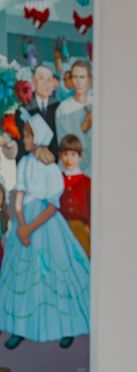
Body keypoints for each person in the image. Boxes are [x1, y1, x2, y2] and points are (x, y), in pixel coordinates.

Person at [0, 113, 90, 350]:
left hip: (45, 224)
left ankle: (66, 326)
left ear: (38, 137)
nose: (25, 139)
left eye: (29, 135)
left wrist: (30, 226)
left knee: (55, 274)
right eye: (25, 134)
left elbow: (52, 205)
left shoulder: (50, 169)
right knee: (22, 276)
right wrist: (21, 223)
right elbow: (18, 195)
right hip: (25, 223)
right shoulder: (25, 163)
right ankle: (21, 327)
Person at [15, 65, 60, 161]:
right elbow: (22, 144)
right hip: (31, 165)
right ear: (33, 81)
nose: (46, 84)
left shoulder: (59, 108)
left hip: (55, 166)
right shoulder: (23, 110)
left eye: (49, 80)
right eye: (41, 78)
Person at [55, 60, 93, 176]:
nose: (78, 82)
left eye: (82, 77)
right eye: (75, 77)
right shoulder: (64, 109)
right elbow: (67, 146)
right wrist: (85, 126)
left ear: (89, 80)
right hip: (71, 174)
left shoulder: (98, 105)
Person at [58, 134, 91, 257]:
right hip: (61, 229)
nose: (69, 159)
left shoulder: (87, 182)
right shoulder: (57, 180)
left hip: (81, 229)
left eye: (73, 155)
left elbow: (91, 209)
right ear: (60, 156)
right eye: (65, 154)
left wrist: (89, 228)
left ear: (80, 157)